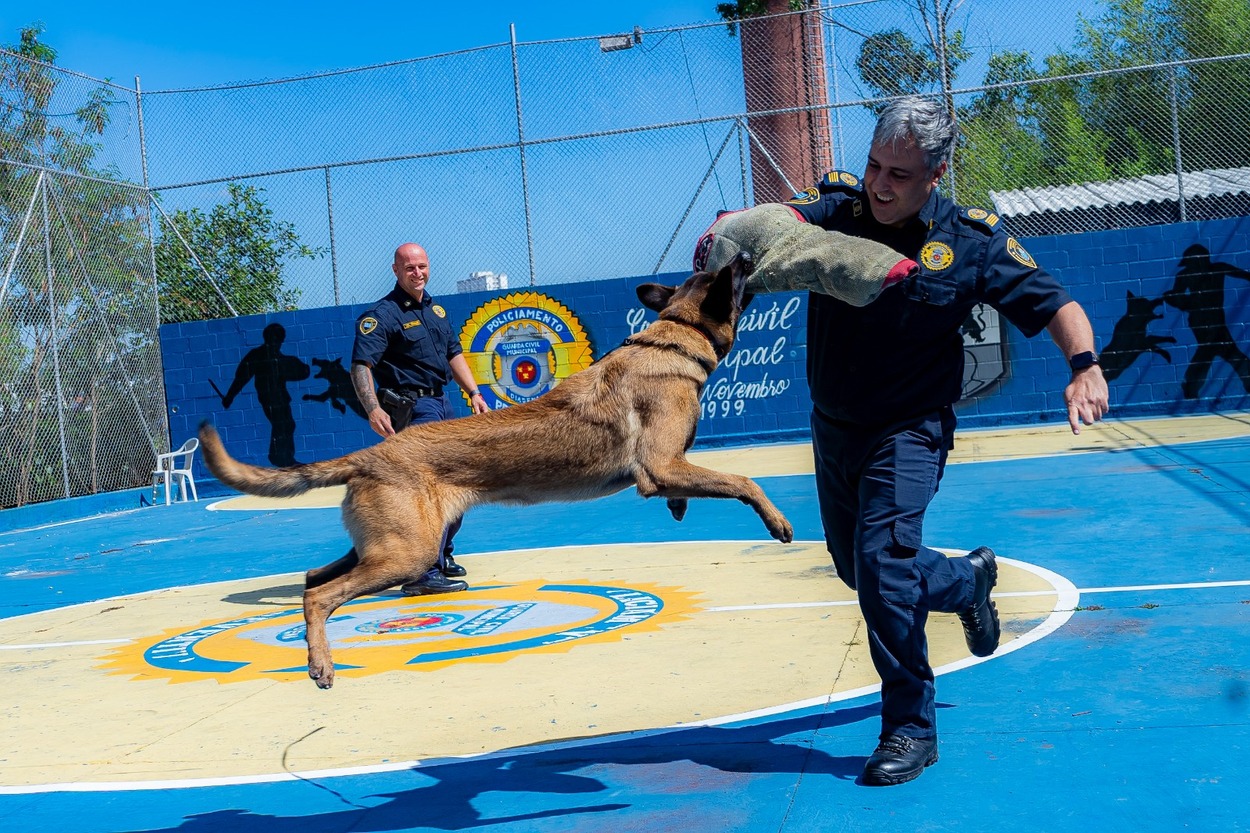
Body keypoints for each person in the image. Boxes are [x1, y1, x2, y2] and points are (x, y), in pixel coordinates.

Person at [699, 96, 1109, 786]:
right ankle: (964, 579)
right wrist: (736, 232)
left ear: (936, 174)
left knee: (883, 564)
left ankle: (911, 724)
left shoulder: (971, 240)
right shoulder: (841, 207)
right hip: (834, 427)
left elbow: (1054, 303)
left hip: (910, 429)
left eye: (899, 174)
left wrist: (1084, 365)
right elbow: (782, 222)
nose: (880, 185)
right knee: (857, 569)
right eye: (874, 166)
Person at [351, 242, 489, 595]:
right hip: (414, 410)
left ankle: (440, 555)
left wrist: (473, 392)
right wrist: (372, 408)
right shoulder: (381, 316)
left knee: (458, 485)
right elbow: (361, 366)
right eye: (409, 267)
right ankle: (420, 572)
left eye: (422, 266)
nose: (418, 273)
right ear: (395, 271)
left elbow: (453, 353)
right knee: (429, 492)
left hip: (442, 406)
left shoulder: (437, 311)